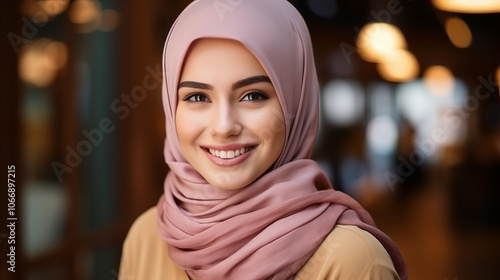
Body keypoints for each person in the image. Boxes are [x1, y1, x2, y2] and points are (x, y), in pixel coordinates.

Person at [119, 0, 407, 279]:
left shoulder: (352, 261)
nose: (223, 126)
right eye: (197, 97)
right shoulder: (147, 237)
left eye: (253, 95)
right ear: (171, 107)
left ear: (296, 103)